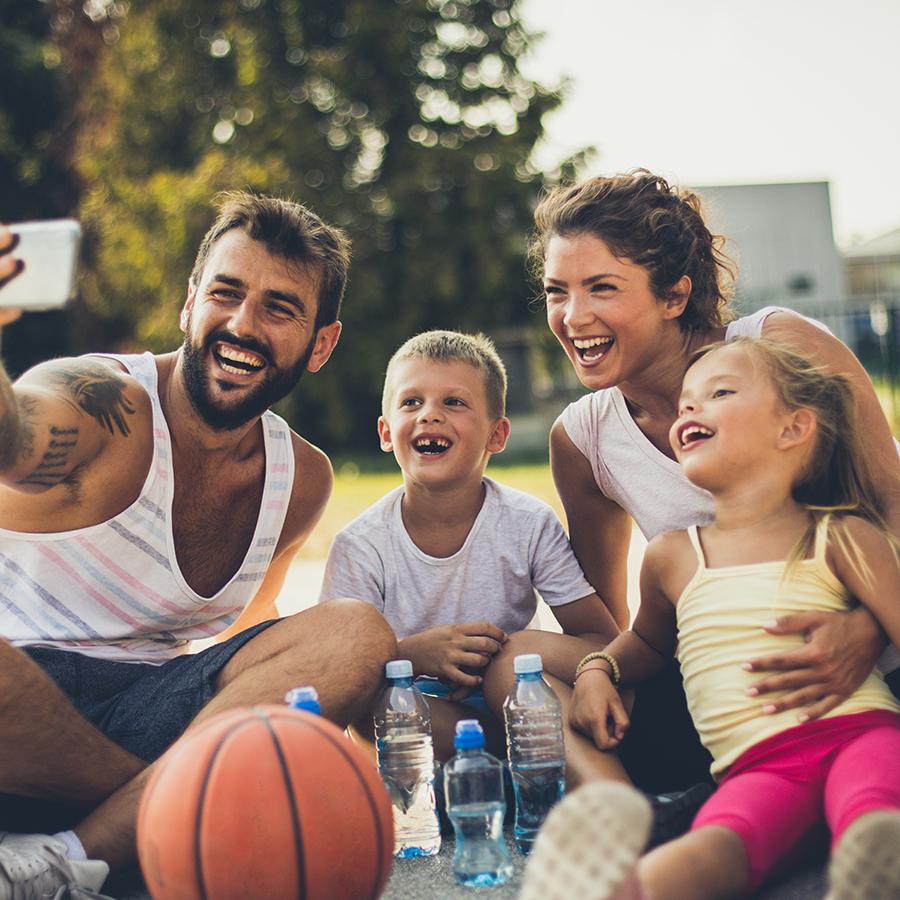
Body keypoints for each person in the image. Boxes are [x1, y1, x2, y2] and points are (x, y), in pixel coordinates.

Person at [0, 194, 396, 899]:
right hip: (20, 712)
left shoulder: (300, 478)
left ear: (321, 343)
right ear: (190, 303)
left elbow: (259, 643)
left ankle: (68, 858)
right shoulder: (103, 403)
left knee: (354, 632)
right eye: (226, 292)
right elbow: (15, 441)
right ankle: (179, 811)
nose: (243, 325)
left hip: (156, 706)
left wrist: (391, 658)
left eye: (279, 308)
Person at [508, 169, 900, 797]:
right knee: (516, 660)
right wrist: (600, 671)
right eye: (558, 291)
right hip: (730, 692)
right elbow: (612, 625)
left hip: (869, 665)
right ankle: (624, 810)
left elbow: (893, 500)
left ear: (675, 294)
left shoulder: (780, 349)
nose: (573, 316)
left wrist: (867, 630)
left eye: (601, 288)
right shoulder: (581, 439)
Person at [521, 337, 900, 900]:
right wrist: (599, 669)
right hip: (756, 767)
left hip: (859, 734)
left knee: (873, 805)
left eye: (719, 393)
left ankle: (872, 865)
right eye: (688, 399)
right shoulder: (673, 556)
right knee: (720, 842)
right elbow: (648, 645)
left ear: (793, 429)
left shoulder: (840, 536)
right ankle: (615, 885)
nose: (691, 408)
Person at [318, 330, 619, 762]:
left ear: (497, 435)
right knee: (373, 710)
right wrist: (414, 655)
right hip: (425, 722)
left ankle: (529, 758)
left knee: (520, 663)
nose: (429, 416)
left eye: (453, 402)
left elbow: (599, 639)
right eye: (411, 402)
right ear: (386, 432)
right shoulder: (361, 545)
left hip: (515, 698)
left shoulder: (528, 524)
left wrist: (510, 655)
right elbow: (336, 673)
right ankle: (504, 758)